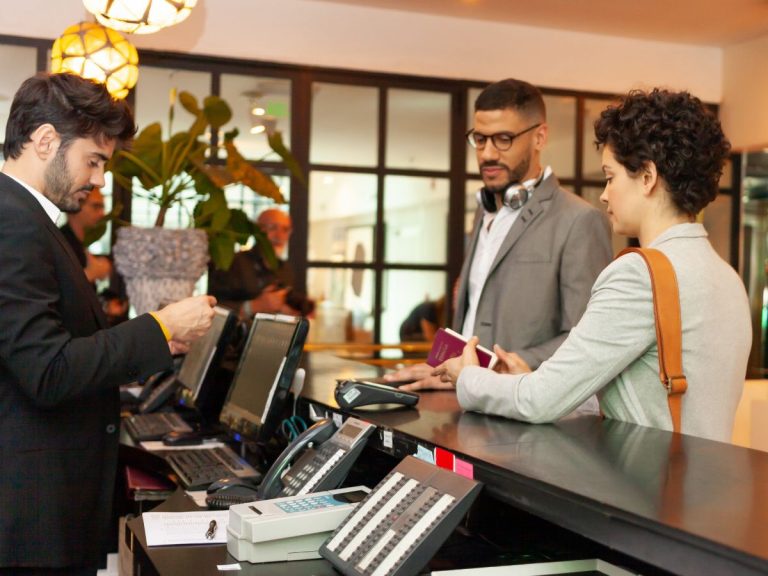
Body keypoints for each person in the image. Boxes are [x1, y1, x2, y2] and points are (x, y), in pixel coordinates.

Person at [426, 89, 751, 443]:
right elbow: (639, 399)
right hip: (702, 483)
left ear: (647, 177)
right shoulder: (727, 276)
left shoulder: (638, 275)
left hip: (643, 490)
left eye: (611, 177)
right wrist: (524, 379)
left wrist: (469, 376)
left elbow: (539, 401)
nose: (605, 194)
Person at [0, 72, 217, 574]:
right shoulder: (12, 221)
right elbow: (48, 370)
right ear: (46, 140)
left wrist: (160, 339)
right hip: (29, 515)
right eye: (93, 160)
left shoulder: (31, 221)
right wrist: (158, 327)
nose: (100, 178)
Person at [386, 78, 612, 386]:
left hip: (522, 412)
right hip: (464, 398)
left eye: (503, 139)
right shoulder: (484, 211)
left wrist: (487, 371)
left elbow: (585, 340)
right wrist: (444, 368)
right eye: (480, 139)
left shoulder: (580, 220)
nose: (487, 154)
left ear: (539, 137)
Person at [208, 207, 313, 317]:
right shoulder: (233, 262)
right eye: (273, 228)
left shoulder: (286, 268)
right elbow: (211, 307)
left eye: (285, 229)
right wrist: (253, 306)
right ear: (257, 230)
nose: (280, 235)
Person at [59, 187, 112, 286]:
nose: (102, 214)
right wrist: (91, 273)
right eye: (96, 206)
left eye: (102, 207)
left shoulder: (79, 242)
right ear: (75, 206)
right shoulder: (60, 244)